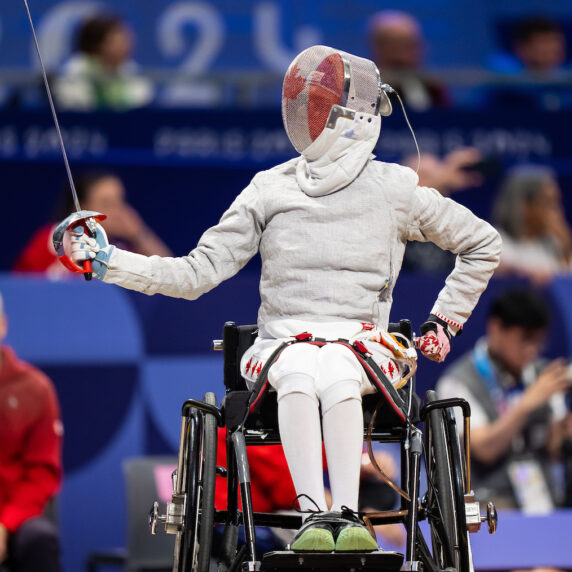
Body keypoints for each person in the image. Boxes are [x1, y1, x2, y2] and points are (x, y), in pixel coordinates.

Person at [65, 45, 501, 552]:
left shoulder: (396, 188)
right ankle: (314, 518)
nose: (307, 117)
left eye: (317, 108)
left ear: (349, 116)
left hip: (361, 341)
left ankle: (346, 514)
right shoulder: (268, 188)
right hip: (283, 339)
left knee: (336, 367)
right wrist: (109, 261)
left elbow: (482, 243)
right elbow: (195, 272)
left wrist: (444, 322)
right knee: (299, 367)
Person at [436, 287, 572, 511]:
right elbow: (483, 449)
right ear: (496, 328)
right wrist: (527, 404)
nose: (533, 351)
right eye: (525, 340)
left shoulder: (543, 374)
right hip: (491, 507)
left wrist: (564, 430)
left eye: (538, 342)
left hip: (545, 505)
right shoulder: (456, 382)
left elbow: (554, 449)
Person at [0, 292, 63, 571]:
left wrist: (5, 524)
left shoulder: (36, 389)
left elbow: (41, 473)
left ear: (2, 324)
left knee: (39, 539)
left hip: (15, 519)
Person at [14, 171, 172, 277]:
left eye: (120, 202)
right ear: (80, 208)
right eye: (107, 203)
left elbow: (169, 276)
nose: (117, 211)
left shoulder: (120, 248)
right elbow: (22, 291)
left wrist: (139, 233)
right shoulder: (50, 241)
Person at [54, 14, 153, 111]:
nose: (128, 44)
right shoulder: (75, 71)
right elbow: (75, 106)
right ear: (99, 44)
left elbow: (141, 103)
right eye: (121, 39)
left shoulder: (132, 70)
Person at [492, 165, 572, 284]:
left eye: (557, 202)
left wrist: (566, 248)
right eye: (549, 203)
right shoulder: (493, 243)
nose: (558, 212)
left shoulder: (554, 243)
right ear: (524, 205)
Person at [367, 10, 449, 111]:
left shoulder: (433, 90)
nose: (400, 55)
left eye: (408, 45)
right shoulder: (361, 89)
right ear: (377, 47)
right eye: (393, 46)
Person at [486, 16, 572, 111]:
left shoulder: (566, 73)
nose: (553, 48)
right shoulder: (501, 70)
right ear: (522, 48)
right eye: (544, 41)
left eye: (556, 40)